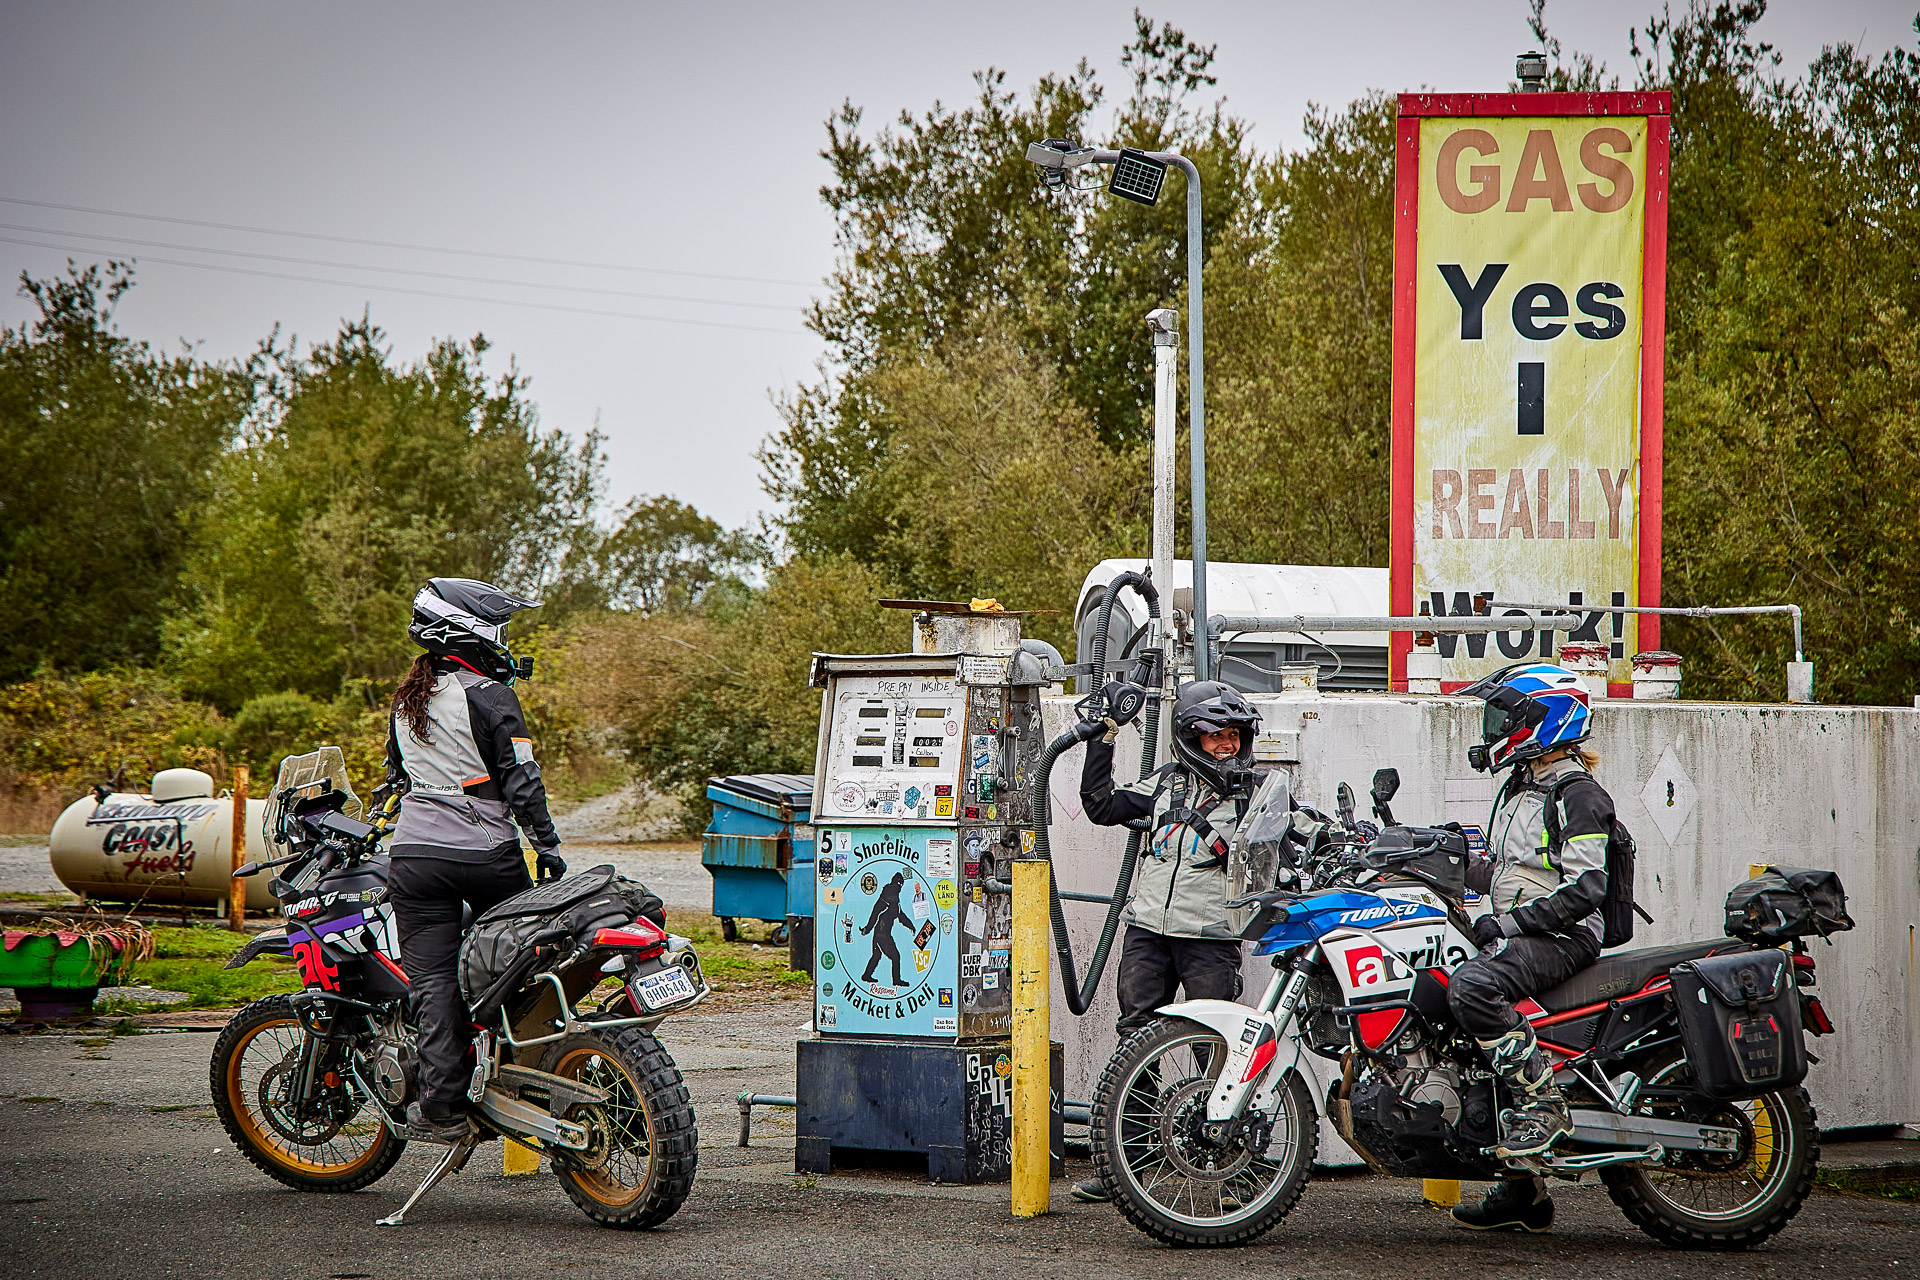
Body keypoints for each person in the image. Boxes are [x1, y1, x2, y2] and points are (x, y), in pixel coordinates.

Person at [383, 577, 564, 1143]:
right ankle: (525, 1078)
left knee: (432, 980)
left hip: (414, 856)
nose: (504, 640)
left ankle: (443, 1107)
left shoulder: (406, 697)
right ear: (469, 632)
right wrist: (547, 845)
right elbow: (521, 781)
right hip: (486, 852)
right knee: (520, 962)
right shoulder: (491, 696)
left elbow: (397, 774)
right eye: (499, 629)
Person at [1070, 679, 1262, 1204]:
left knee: (1219, 1046)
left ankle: (1237, 1173)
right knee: (1136, 1042)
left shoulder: (1256, 794)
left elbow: (1295, 839)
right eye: (1216, 736)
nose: (1227, 745)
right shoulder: (1165, 782)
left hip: (1211, 938)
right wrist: (1103, 736)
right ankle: (1127, 1165)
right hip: (1148, 933)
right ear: (1190, 737)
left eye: (1234, 735)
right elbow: (1100, 805)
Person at [1448, 662, 1615, 1233]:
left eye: (1505, 716)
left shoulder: (1579, 794)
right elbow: (1504, 868)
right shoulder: (1522, 785)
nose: (1495, 727)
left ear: (1546, 719)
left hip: (1564, 936)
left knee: (1472, 988)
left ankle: (1545, 1103)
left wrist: (1510, 924)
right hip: (1525, 929)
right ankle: (1522, 1190)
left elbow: (1588, 888)